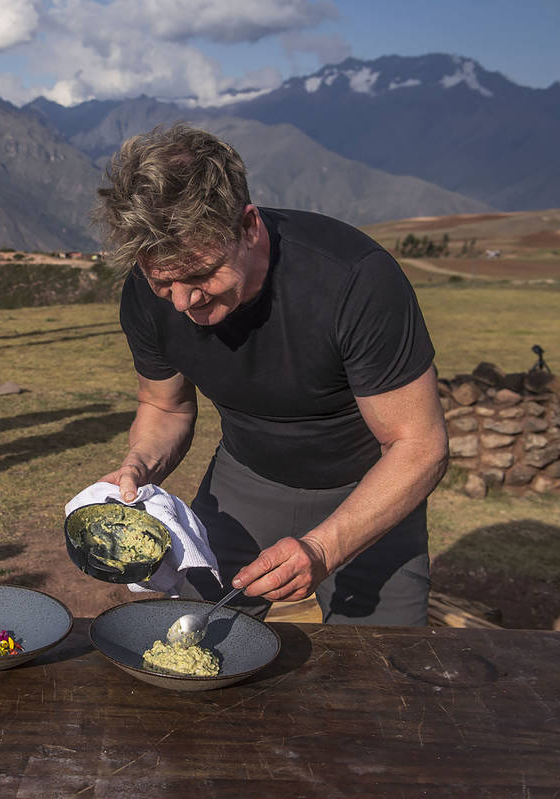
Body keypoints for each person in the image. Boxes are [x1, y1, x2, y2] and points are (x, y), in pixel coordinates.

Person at [93, 124, 449, 625]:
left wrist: (324, 548)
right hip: (246, 481)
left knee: (381, 665)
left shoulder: (353, 279)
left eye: (200, 275)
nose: (182, 302)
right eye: (163, 282)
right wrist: (139, 467)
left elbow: (420, 446)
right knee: (189, 634)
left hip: (370, 485)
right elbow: (164, 405)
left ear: (249, 226)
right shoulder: (150, 290)